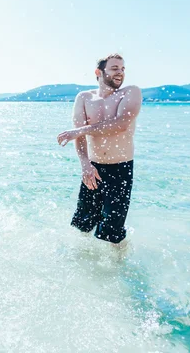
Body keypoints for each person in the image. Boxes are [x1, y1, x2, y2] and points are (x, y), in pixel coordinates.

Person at [57, 54, 142, 245]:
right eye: (114, 68)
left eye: (122, 69)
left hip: (120, 169)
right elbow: (78, 136)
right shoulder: (84, 98)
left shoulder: (131, 92)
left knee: (112, 233)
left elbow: (121, 124)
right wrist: (85, 164)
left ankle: (118, 268)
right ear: (99, 72)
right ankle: (83, 266)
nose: (120, 73)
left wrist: (79, 130)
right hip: (93, 168)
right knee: (82, 226)